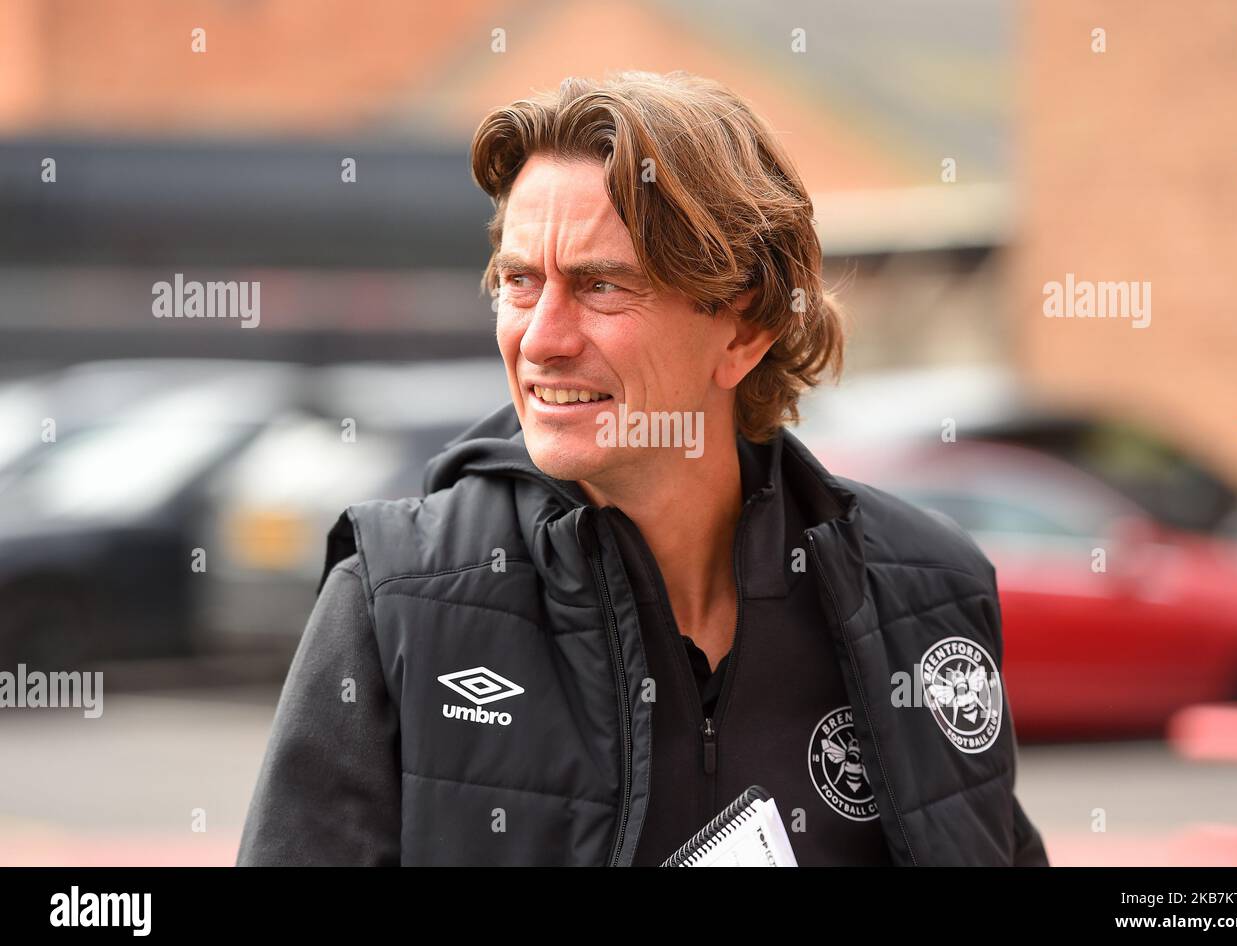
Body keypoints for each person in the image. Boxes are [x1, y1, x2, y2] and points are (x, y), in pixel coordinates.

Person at [237, 70, 1049, 866]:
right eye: (520, 282)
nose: (541, 338)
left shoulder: (926, 591)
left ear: (744, 332)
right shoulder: (397, 599)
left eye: (599, 286)